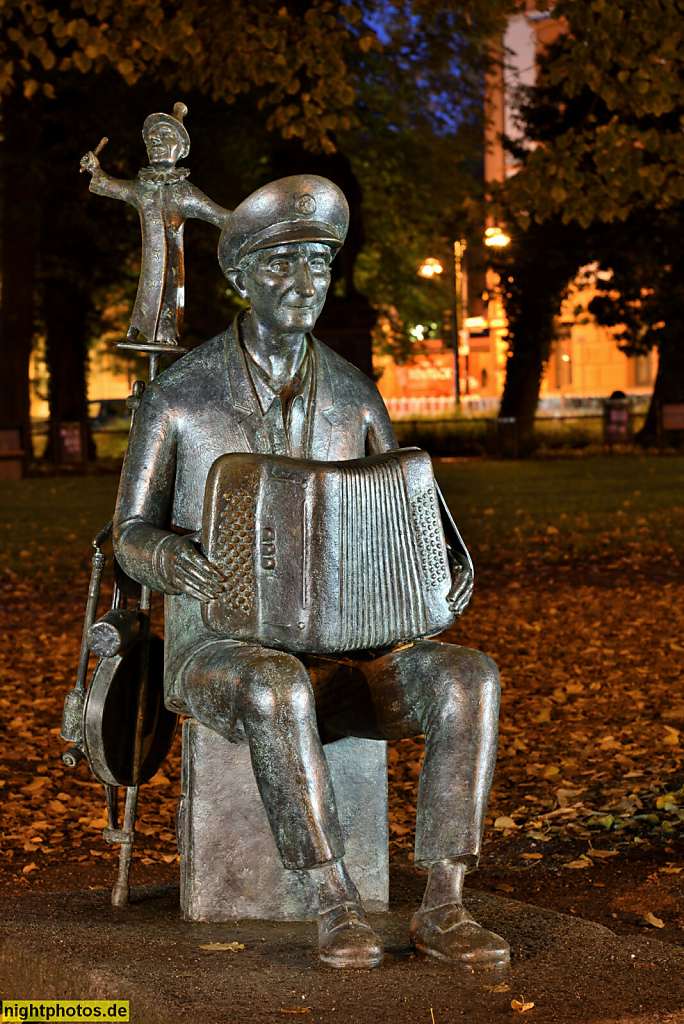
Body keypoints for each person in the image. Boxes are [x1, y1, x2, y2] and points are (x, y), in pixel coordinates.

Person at [113, 174, 509, 969]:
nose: (303, 286)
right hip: (217, 647)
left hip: (351, 649)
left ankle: (444, 902)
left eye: (318, 267)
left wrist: (443, 565)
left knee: (469, 677)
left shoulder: (355, 396)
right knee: (274, 686)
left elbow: (403, 503)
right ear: (240, 277)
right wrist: (171, 558)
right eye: (279, 266)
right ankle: (331, 898)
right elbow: (126, 532)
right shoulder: (179, 398)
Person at [80, 102, 230, 347]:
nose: (157, 144)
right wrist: (96, 170)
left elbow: (222, 217)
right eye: (152, 139)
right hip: (150, 267)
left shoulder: (185, 193)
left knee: (168, 293)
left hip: (172, 272)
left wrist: (257, 215)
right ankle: (140, 327)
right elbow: (112, 186)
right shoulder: (142, 189)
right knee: (148, 290)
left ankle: (165, 333)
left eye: (165, 137)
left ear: (181, 149)